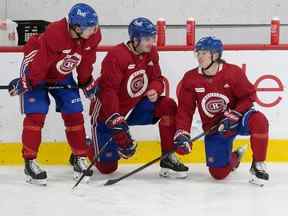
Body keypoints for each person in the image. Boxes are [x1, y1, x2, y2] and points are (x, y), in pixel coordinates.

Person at [8, 3, 101, 185]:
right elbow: (40, 64)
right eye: (89, 27)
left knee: (74, 112)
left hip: (62, 73)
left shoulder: (93, 35)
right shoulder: (55, 34)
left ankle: (80, 157)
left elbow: (86, 61)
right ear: (75, 27)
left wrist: (85, 81)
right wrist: (26, 82)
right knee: (36, 114)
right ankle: (30, 162)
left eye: (94, 26)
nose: (93, 30)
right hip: (36, 69)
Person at [83, 17, 188, 178]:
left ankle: (168, 156)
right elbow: (107, 91)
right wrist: (114, 118)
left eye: (153, 38)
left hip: (135, 107)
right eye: (147, 39)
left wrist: (154, 89)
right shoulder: (116, 56)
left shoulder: (151, 52)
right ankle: (86, 147)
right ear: (135, 39)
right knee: (108, 168)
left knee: (167, 105)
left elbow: (157, 78)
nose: (151, 43)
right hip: (108, 111)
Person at [174, 36, 269, 186]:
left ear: (216, 55)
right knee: (218, 174)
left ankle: (258, 164)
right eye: (198, 53)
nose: (199, 56)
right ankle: (236, 156)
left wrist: (235, 114)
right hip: (215, 128)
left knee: (259, 120)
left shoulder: (232, 73)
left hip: (237, 120)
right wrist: (182, 133)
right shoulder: (191, 78)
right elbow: (185, 110)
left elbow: (249, 97)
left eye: (204, 53)